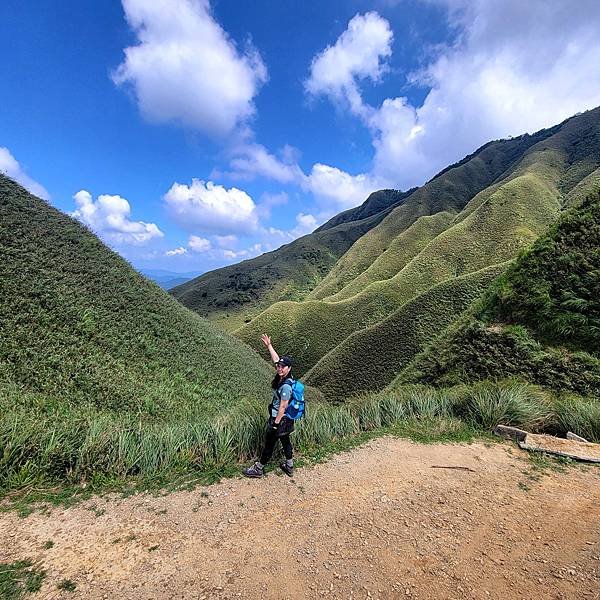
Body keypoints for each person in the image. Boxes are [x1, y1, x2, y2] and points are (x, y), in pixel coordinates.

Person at [243, 333, 295, 478]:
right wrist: (269, 346)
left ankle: (259, 468)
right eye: (279, 366)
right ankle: (289, 466)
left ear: (289, 368)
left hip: (280, 419)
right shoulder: (284, 377)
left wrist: (275, 424)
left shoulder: (286, 387)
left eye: (283, 367)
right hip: (287, 419)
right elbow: (276, 360)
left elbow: (282, 407)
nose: (279, 368)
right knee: (285, 441)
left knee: (269, 444)